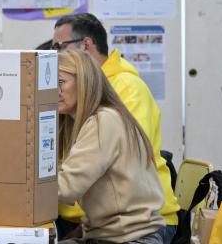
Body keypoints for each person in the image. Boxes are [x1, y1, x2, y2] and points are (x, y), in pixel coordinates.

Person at [52, 13, 179, 244]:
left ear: (84, 80)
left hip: (133, 235)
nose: (53, 91)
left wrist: (8, 188)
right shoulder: (78, 120)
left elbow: (67, 186)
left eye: (59, 83)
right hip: (105, 231)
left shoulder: (105, 119)